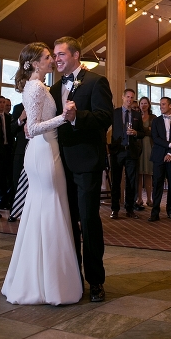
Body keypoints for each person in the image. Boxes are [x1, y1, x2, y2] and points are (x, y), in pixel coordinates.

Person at [2, 43, 82, 305]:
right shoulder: (36, 87)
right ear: (36, 63)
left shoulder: (39, 86)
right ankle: (50, 283)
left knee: (42, 210)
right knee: (51, 209)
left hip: (47, 149)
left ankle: (37, 278)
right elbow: (33, 128)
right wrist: (64, 117)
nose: (52, 60)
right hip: (45, 150)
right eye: (48, 57)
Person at [50, 36, 113, 303]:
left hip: (87, 163)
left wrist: (78, 117)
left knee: (88, 222)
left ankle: (96, 281)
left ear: (76, 55)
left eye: (62, 54)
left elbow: (105, 118)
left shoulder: (96, 82)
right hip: (60, 164)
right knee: (67, 223)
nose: (57, 59)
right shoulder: (53, 89)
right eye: (54, 55)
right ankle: (72, 277)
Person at [108, 88, 144, 219]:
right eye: (127, 97)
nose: (129, 100)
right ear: (123, 97)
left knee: (131, 181)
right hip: (117, 151)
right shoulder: (114, 113)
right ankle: (115, 209)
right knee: (116, 181)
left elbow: (142, 133)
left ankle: (130, 209)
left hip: (131, 151)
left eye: (132, 98)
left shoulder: (136, 115)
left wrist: (136, 133)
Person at [148, 96, 171, 221]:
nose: (161, 106)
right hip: (158, 156)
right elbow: (155, 138)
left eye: (163, 104)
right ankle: (155, 212)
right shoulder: (156, 121)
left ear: (170, 106)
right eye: (160, 104)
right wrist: (169, 145)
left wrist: (170, 153)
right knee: (157, 184)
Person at [7, 102, 28, 222]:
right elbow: (12, 129)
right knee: (16, 180)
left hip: (37, 147)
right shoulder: (18, 108)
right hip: (20, 150)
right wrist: (21, 119)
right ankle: (14, 212)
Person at [0, 95, 13, 211]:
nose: (3, 104)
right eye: (0, 102)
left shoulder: (9, 117)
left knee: (7, 177)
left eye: (4, 102)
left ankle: (4, 201)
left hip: (8, 149)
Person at [135, 96, 154, 211]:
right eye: (141, 103)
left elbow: (154, 132)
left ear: (149, 105)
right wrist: (147, 131)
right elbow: (137, 132)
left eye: (145, 103)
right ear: (139, 105)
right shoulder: (136, 116)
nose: (143, 105)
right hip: (138, 146)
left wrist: (143, 132)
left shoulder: (153, 117)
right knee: (138, 175)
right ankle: (139, 199)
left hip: (149, 147)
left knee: (148, 174)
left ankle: (149, 199)